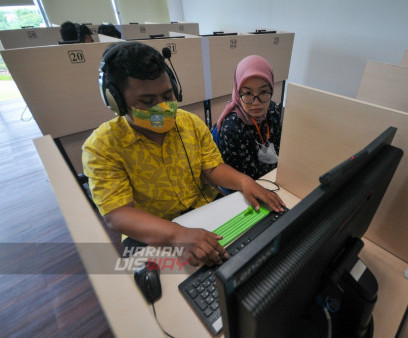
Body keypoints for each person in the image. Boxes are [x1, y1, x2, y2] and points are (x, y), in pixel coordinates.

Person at [82, 42, 285, 267]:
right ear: (117, 102)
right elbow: (117, 214)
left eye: (168, 95)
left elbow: (213, 168)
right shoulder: (102, 146)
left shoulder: (190, 122)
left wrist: (245, 182)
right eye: (147, 102)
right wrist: (175, 234)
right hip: (152, 227)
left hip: (204, 206)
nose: (163, 107)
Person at [216, 55, 283, 180]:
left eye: (263, 92)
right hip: (250, 186)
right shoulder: (232, 128)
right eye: (247, 93)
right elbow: (245, 177)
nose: (256, 103)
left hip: (276, 177)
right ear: (237, 92)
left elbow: (281, 150)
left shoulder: (273, 111)